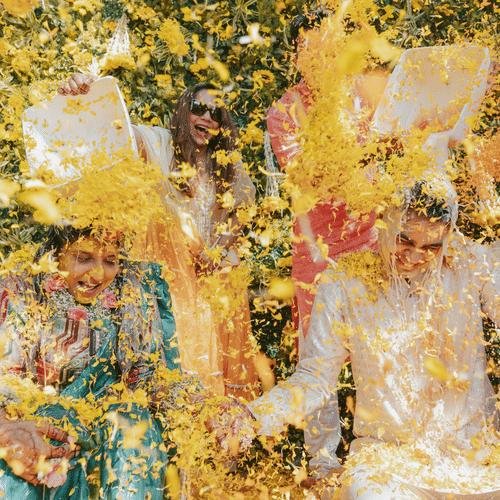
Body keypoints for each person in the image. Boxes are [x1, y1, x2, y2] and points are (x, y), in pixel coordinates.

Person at [246, 175, 500, 499]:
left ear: (449, 237)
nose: (412, 256)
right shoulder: (343, 282)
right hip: (386, 462)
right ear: (383, 224)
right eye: (404, 240)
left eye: (430, 247)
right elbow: (314, 378)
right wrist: (254, 417)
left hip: (472, 455)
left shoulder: (468, 264)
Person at [58, 78, 260, 400]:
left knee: (230, 294)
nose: (207, 117)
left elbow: (243, 211)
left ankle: (223, 430)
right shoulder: (162, 143)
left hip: (214, 278)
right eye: (198, 108)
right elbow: (124, 133)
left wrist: (218, 252)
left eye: (216, 112)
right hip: (172, 280)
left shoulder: (226, 162)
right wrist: (85, 100)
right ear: (184, 112)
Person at [266, 8, 388, 478]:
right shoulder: (285, 110)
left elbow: (416, 132)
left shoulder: (368, 95)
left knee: (379, 351)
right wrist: (375, 153)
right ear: (296, 55)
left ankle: (378, 450)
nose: (320, 54)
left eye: (330, 44)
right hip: (317, 256)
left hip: (375, 246)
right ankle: (321, 461)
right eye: (309, 46)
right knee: (318, 361)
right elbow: (311, 178)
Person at [0, 223, 182, 499]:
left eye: (111, 261)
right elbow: (5, 380)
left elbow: (149, 377)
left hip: (110, 433)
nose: (97, 274)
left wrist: (197, 403)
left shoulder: (134, 291)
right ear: (56, 253)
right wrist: (8, 432)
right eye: (83, 258)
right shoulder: (23, 287)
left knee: (133, 423)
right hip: (36, 429)